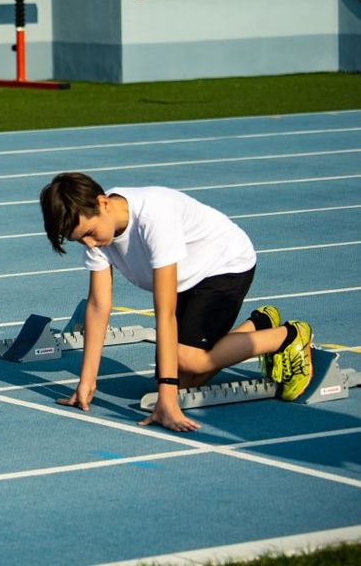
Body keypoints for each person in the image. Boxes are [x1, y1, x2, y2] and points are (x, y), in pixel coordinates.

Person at [39, 172, 313, 432]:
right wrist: (87, 382)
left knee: (186, 364)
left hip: (224, 265)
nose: (89, 244)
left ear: (103, 203)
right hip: (187, 279)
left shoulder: (153, 218)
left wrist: (167, 401)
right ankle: (259, 324)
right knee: (178, 382)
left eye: (89, 233)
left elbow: (165, 312)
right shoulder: (98, 237)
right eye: (80, 240)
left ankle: (288, 336)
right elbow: (98, 306)